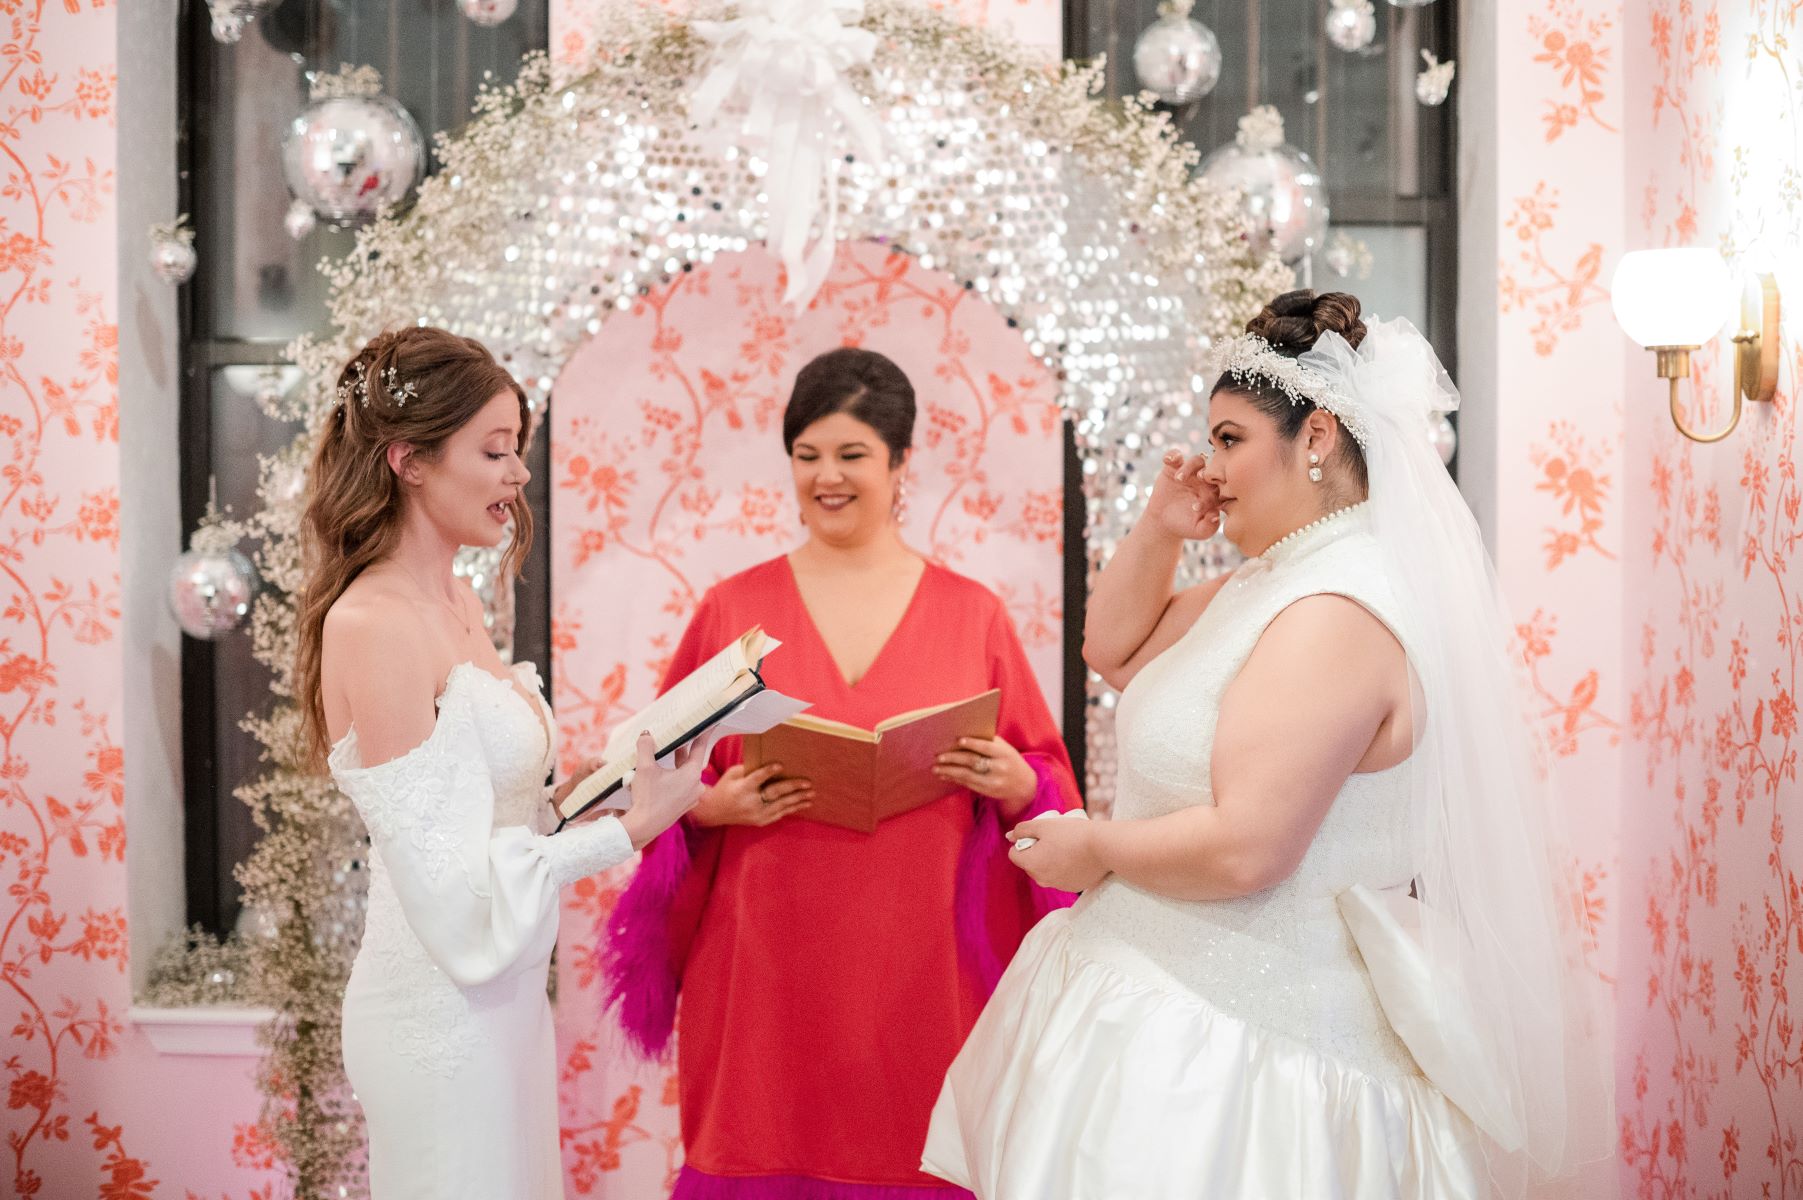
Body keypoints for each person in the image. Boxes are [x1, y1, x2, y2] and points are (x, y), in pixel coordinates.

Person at [922, 292, 1613, 1198]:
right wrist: (1162, 525)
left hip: (1245, 1056)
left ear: (1315, 437)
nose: (1210, 469)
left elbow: (1249, 846)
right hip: (1166, 1004)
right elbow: (1116, 651)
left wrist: (1090, 846)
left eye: (1228, 439)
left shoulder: (1335, 608)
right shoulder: (1272, 578)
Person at [601, 347, 1082, 1198]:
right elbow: (650, 780)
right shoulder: (731, 610)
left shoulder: (975, 614)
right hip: (763, 970)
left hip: (923, 969)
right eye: (806, 454)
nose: (826, 476)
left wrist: (1016, 785)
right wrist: (713, 807)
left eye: (851, 455)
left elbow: (1046, 781)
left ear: (900, 463)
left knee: (920, 1153)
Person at [295, 327, 708, 1199]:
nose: (519, 474)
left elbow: (492, 819)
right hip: (438, 1004)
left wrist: (593, 794)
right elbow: (450, 888)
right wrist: (629, 832)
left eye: (516, 448)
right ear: (409, 459)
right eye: (494, 450)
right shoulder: (372, 623)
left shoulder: (455, 603)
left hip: (505, 1000)